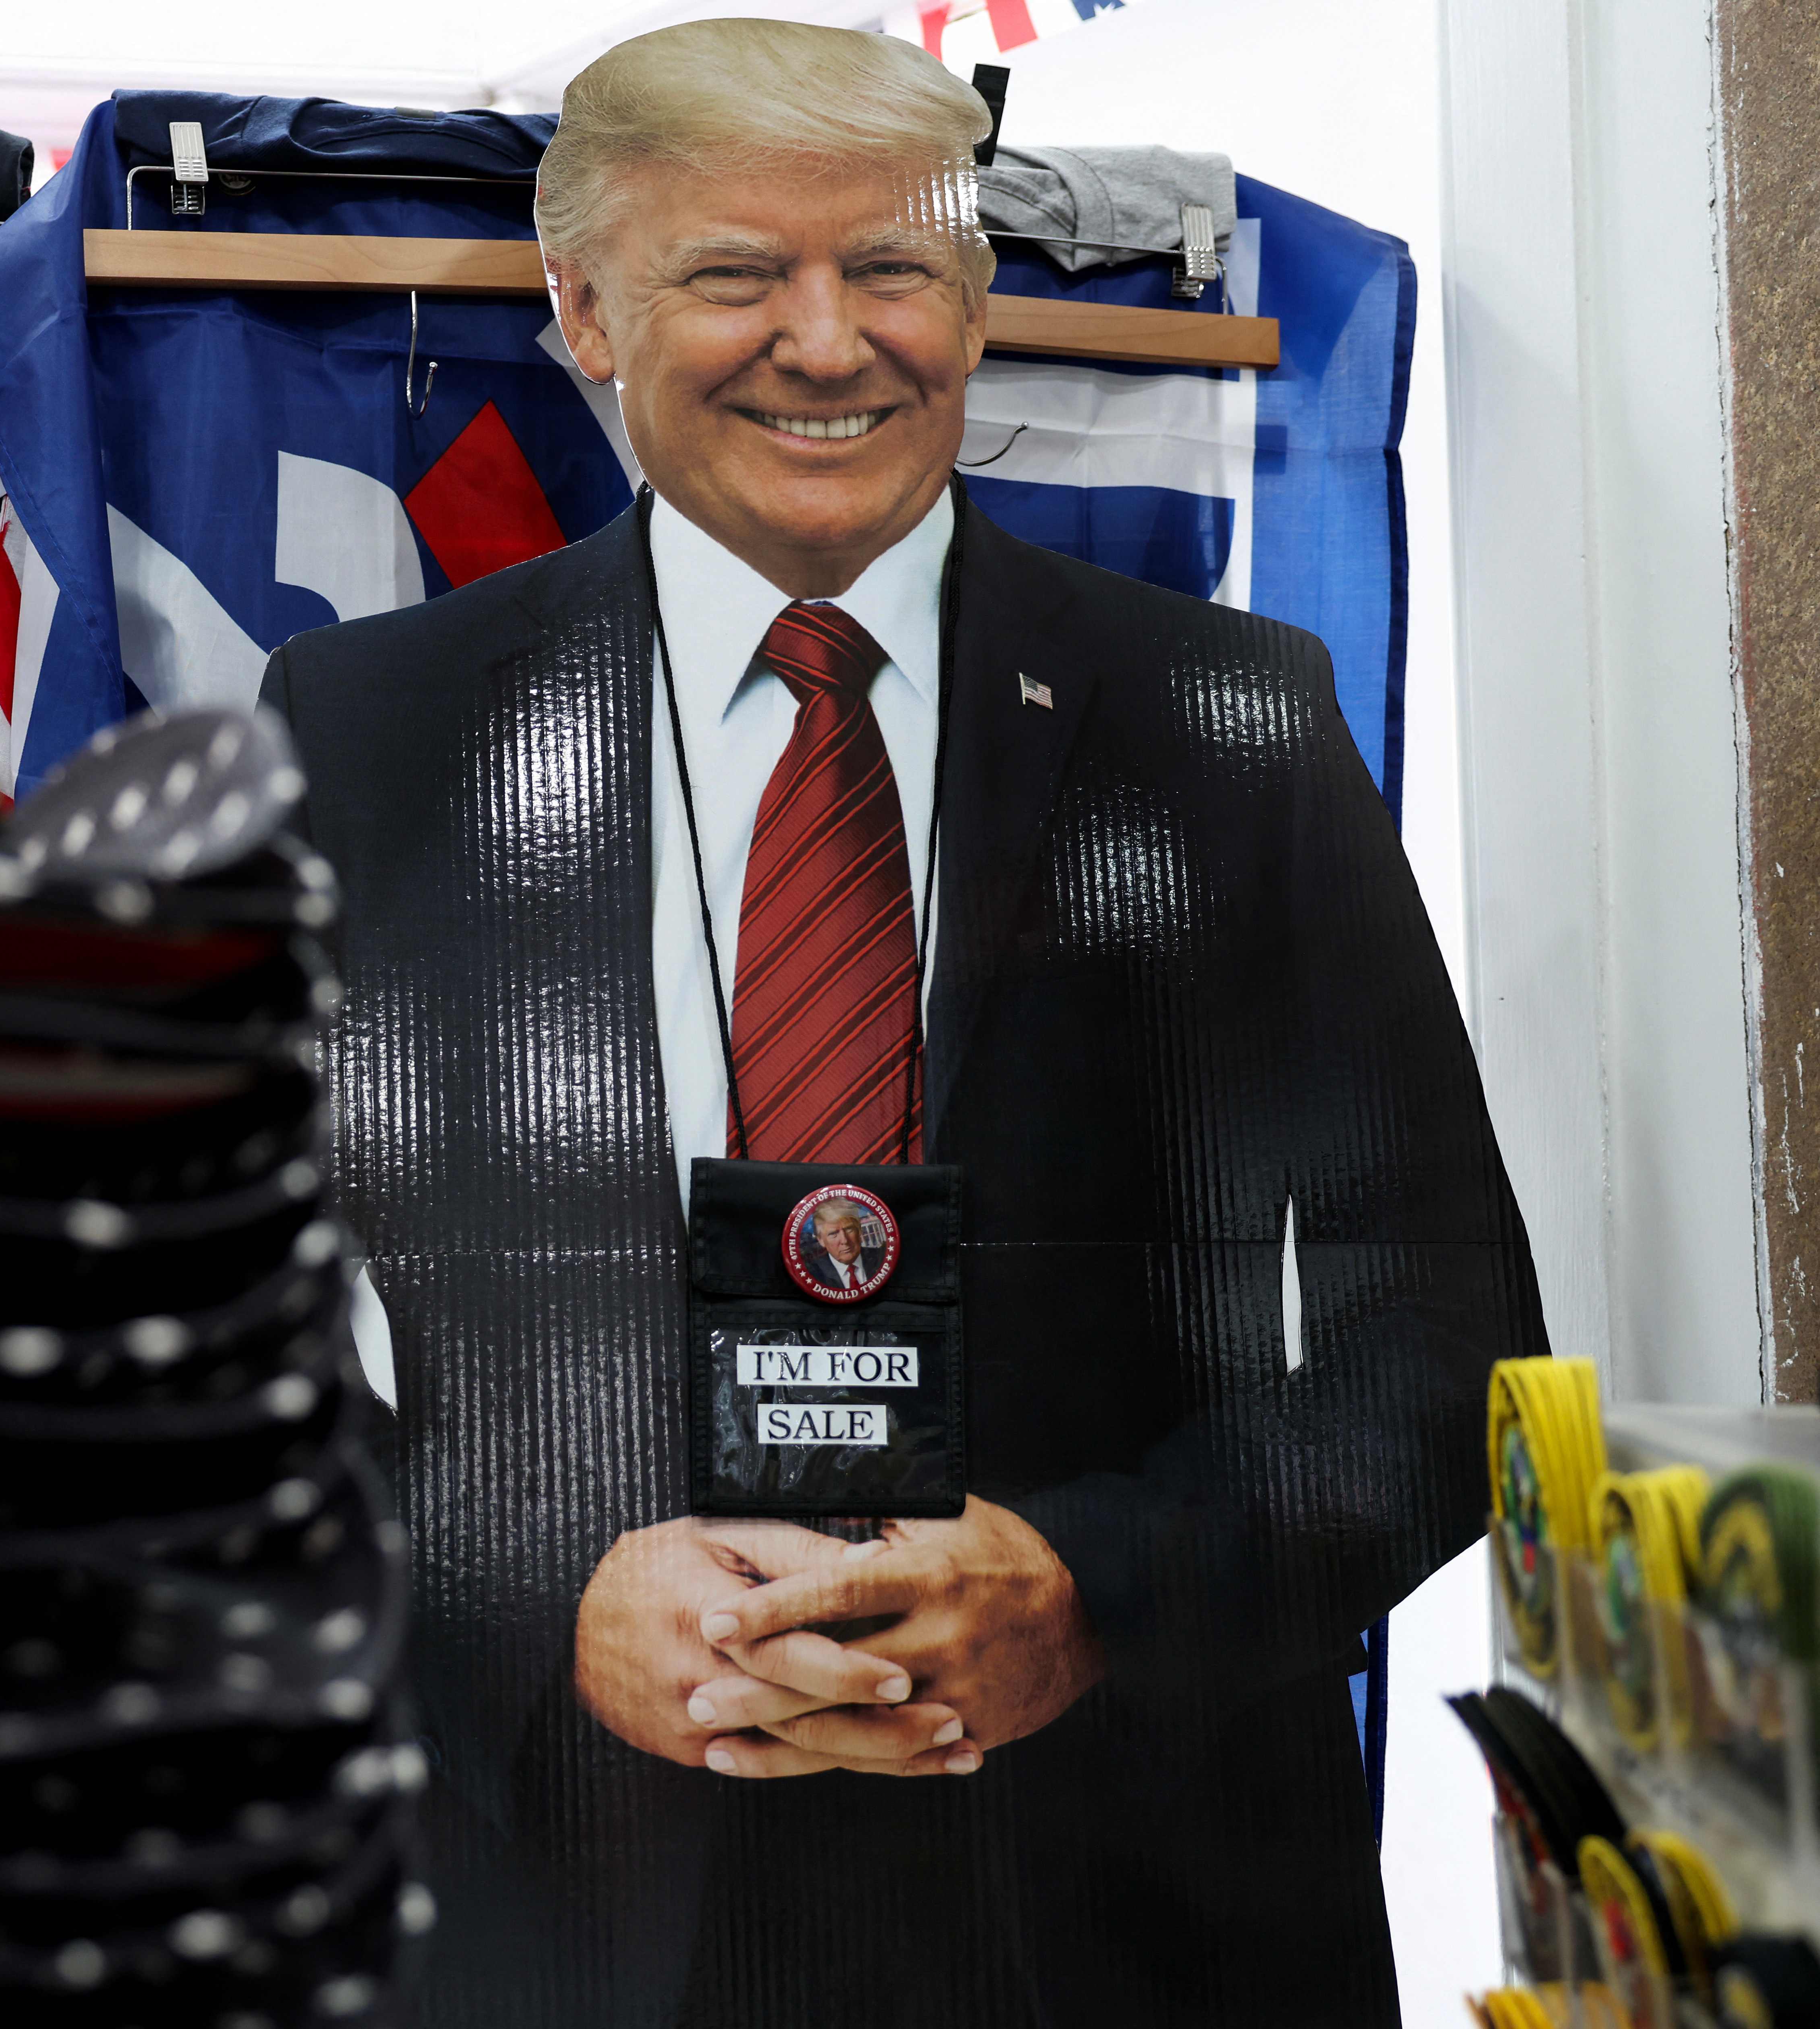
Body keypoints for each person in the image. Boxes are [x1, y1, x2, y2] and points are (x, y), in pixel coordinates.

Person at [257, 19, 1547, 2029]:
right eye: (736, 275)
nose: (829, 338)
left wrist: (1086, 1588)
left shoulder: (1234, 728)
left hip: (1133, 1911)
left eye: (891, 268)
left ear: (975, 290)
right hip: (560, 1910)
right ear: (582, 309)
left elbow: (1442, 1348)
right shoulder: (359, 739)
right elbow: (197, 1361)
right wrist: (532, 1596)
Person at [797, 1197, 883, 1293]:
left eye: (849, 1229)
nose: (845, 1240)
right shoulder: (813, 1272)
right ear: (821, 1240)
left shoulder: (882, 1257)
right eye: (834, 1234)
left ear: (859, 1230)